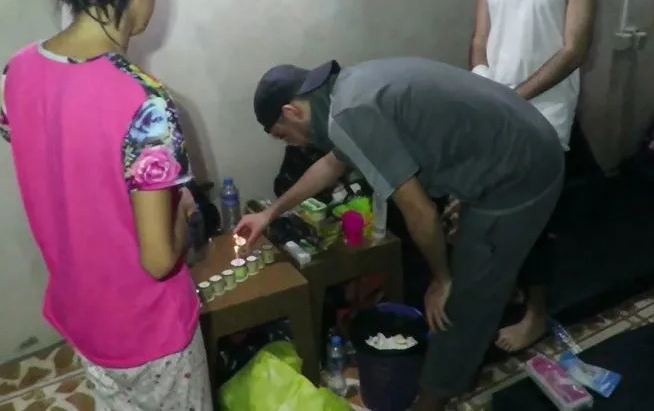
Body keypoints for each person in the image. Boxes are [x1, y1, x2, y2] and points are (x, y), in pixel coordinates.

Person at [234, 57, 564, 410]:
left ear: (292, 111)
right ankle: (475, 331)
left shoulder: (349, 115)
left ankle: (432, 399)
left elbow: (421, 213)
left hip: (522, 168)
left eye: (284, 135)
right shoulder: (347, 90)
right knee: (475, 264)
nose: (295, 145)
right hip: (517, 139)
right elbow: (332, 163)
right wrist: (271, 212)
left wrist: (442, 279)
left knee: (464, 297)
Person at [0, 0, 211, 409]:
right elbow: (159, 258)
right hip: (152, 336)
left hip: (84, 320)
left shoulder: (16, 72)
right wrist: (186, 213)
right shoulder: (146, 104)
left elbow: (58, 171)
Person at [469, 0, 598, 355]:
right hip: (496, 101)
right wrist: (482, 86)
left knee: (532, 212)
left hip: (544, 109)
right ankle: (511, 284)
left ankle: (536, 315)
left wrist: (515, 98)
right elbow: (480, 36)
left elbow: (574, 48)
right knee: (491, 204)